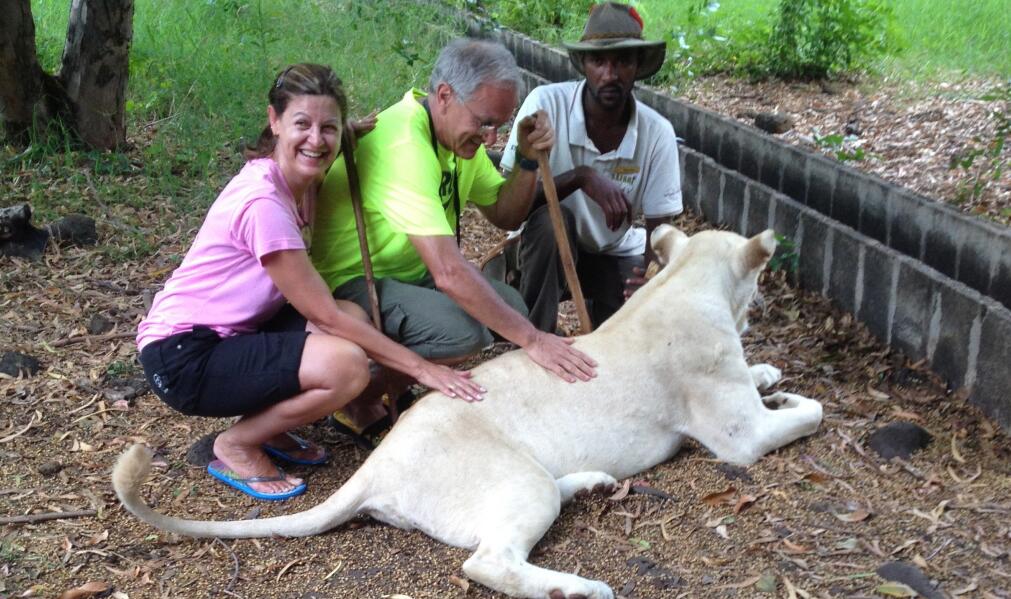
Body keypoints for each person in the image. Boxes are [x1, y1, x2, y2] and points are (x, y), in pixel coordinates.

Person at [136, 64, 483, 501]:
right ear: (274, 120)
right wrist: (422, 369)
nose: (316, 140)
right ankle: (237, 443)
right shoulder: (264, 203)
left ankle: (272, 426)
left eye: (328, 127)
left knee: (355, 315)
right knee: (347, 363)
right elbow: (324, 315)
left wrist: (347, 132)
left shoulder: (296, 174)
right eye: (302, 124)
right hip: (184, 357)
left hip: (231, 334)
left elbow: (318, 146)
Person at [311, 39, 598, 438]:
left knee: (508, 306)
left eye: (500, 125)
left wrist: (530, 159)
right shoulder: (405, 145)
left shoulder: (451, 133)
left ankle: (390, 384)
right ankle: (357, 399)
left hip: (407, 275)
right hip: (351, 281)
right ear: (444, 95)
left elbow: (504, 212)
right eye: (484, 123)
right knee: (465, 332)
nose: (492, 138)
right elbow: (448, 272)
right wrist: (532, 339)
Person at [498, 2, 683, 333]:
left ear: (638, 65)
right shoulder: (545, 106)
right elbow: (511, 205)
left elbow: (660, 234)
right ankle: (536, 340)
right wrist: (582, 178)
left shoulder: (657, 133)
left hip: (610, 251)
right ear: (583, 64)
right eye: (599, 61)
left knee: (632, 327)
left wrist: (650, 280)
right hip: (541, 252)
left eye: (623, 61)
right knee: (552, 223)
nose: (609, 75)